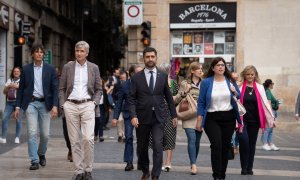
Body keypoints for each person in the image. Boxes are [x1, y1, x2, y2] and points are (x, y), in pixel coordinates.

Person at [128, 47, 177, 180]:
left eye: (152, 57)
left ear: (156, 58)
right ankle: (145, 171)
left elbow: (168, 97)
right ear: (143, 58)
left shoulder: (163, 76)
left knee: (157, 145)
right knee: (142, 148)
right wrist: (133, 116)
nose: (150, 59)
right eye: (147, 57)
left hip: (159, 118)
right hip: (142, 118)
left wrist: (174, 115)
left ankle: (155, 175)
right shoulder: (136, 78)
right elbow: (131, 98)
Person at [59, 41, 102, 180]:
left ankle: (88, 169)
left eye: (82, 51)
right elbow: (62, 89)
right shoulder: (68, 67)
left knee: (88, 139)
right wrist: (63, 104)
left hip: (87, 105)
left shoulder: (94, 68)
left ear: (87, 53)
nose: (79, 53)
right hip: (70, 105)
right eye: (77, 50)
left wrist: (94, 103)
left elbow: (98, 89)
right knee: (75, 140)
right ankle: (79, 171)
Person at [14, 44, 58, 170]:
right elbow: (21, 90)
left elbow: (54, 89)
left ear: (43, 54)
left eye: (41, 52)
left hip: (45, 104)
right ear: (32, 54)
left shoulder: (50, 69)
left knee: (45, 134)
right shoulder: (26, 69)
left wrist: (55, 105)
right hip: (31, 104)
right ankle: (34, 160)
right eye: (37, 52)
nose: (39, 54)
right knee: (32, 132)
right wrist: (18, 107)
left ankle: (41, 153)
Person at [197, 57, 242, 180]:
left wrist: (235, 92)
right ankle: (216, 175)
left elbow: (239, 96)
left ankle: (222, 174)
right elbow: (201, 102)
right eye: (218, 65)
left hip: (228, 117)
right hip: (212, 118)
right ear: (213, 68)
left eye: (223, 65)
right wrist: (199, 119)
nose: (221, 67)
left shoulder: (230, 81)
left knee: (225, 146)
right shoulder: (206, 82)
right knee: (216, 145)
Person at [237, 65, 274, 175]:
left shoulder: (260, 87)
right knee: (244, 142)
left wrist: (272, 117)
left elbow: (265, 104)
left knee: (252, 144)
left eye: (252, 74)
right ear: (244, 75)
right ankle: (244, 167)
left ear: (255, 75)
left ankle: (249, 168)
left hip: (255, 120)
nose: (250, 76)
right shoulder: (239, 87)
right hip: (242, 121)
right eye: (248, 74)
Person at [148, 62, 178, 172]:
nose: (165, 72)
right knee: (158, 138)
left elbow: (177, 100)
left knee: (170, 137)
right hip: (157, 113)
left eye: (167, 70)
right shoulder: (155, 82)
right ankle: (159, 161)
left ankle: (168, 162)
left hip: (170, 113)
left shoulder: (174, 84)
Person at [174, 61, 202, 175]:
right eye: (198, 69)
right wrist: (185, 92)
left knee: (197, 142)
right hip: (189, 115)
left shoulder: (205, 83)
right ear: (192, 71)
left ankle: (193, 161)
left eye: (201, 69)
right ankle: (193, 164)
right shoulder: (185, 83)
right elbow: (176, 99)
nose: (201, 71)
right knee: (192, 139)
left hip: (200, 115)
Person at [112, 66, 142, 171]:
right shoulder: (124, 85)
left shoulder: (144, 84)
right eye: (137, 72)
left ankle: (141, 161)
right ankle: (129, 162)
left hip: (141, 115)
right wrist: (115, 117)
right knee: (128, 137)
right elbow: (119, 101)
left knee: (141, 139)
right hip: (128, 115)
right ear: (132, 73)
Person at [0, 67, 22, 144]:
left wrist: (18, 87)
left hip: (19, 103)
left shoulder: (22, 81)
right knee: (4, 119)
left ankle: (17, 137)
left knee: (18, 120)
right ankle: (3, 137)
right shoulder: (9, 80)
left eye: (17, 71)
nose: (16, 72)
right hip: (9, 102)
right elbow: (4, 92)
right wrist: (9, 86)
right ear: (13, 72)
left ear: (20, 72)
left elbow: (25, 91)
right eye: (15, 71)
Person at [260, 79, 280, 151]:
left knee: (270, 128)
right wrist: (271, 114)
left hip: (272, 111)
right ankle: (265, 143)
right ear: (270, 85)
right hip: (271, 112)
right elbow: (268, 103)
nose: (273, 85)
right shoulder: (268, 91)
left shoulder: (268, 91)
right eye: (272, 84)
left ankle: (270, 143)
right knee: (268, 128)